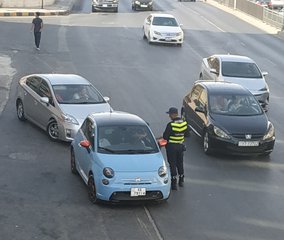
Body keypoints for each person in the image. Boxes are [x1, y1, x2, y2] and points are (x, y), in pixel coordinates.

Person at [163, 107, 189, 190]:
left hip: (171, 147)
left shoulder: (171, 125)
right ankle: (181, 180)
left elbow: (165, 137)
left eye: (170, 114)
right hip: (180, 147)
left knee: (172, 164)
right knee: (180, 163)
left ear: (173, 114)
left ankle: (174, 183)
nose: (169, 116)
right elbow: (187, 134)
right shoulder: (184, 123)